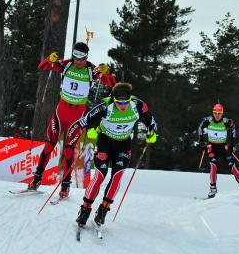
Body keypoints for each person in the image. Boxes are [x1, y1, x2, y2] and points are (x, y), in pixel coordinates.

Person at [28, 42, 116, 198]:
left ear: (86, 57)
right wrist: (50, 58)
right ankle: (37, 178)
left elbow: (112, 83)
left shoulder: (91, 69)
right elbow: (43, 66)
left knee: (69, 150)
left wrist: (107, 71)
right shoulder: (66, 64)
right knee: (49, 145)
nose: (77, 61)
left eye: (81, 59)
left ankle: (66, 184)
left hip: (77, 115)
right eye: (75, 57)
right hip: (61, 112)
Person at [65, 82, 157, 227]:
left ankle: (103, 210)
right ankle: (85, 210)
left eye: (125, 102)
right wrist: (90, 129)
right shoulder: (105, 105)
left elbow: (150, 120)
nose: (122, 106)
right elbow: (86, 120)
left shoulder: (137, 105)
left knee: (116, 177)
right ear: (113, 99)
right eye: (119, 103)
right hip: (104, 142)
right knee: (100, 175)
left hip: (123, 144)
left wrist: (152, 133)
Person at [197, 103, 239, 198]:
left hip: (223, 148)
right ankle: (213, 190)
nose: (217, 115)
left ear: (222, 113)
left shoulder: (226, 122)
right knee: (213, 166)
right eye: (215, 113)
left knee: (233, 167)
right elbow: (200, 129)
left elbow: (233, 132)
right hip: (212, 147)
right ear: (213, 113)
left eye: (219, 113)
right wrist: (202, 142)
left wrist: (231, 145)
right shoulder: (207, 120)